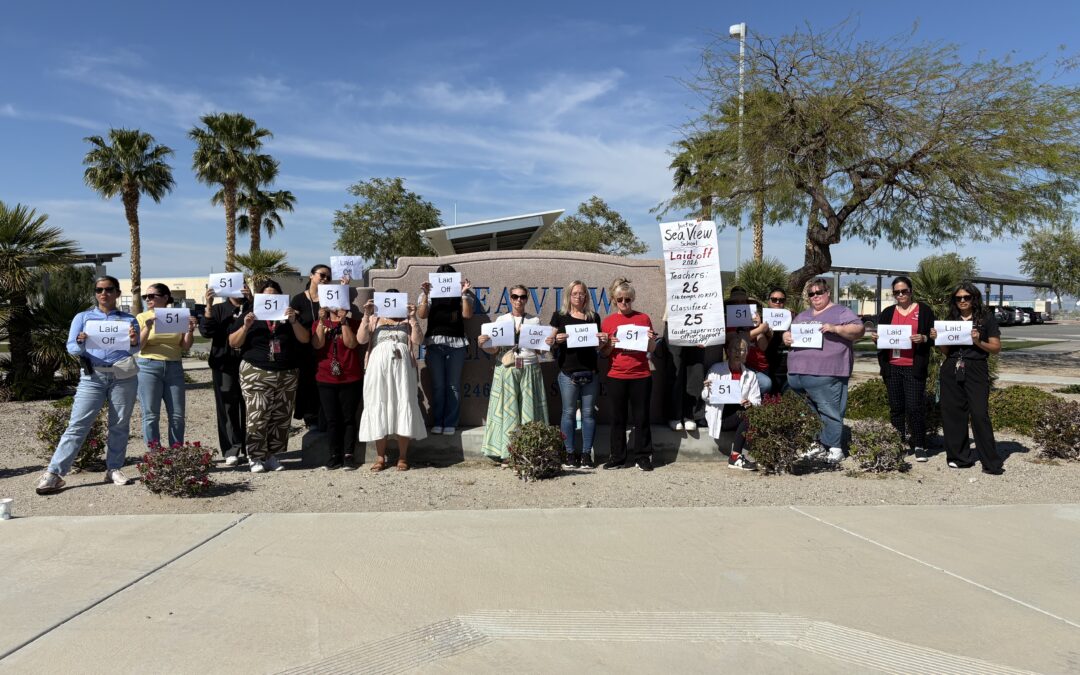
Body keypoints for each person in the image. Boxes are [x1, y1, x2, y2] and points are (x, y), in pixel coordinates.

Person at [36, 275, 141, 494]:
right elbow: (72, 348)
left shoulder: (128, 320)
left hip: (123, 376)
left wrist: (132, 342)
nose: (104, 293)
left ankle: (114, 468)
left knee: (119, 425)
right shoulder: (83, 318)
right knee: (77, 425)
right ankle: (54, 473)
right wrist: (81, 342)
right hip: (92, 377)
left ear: (117, 293)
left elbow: (133, 349)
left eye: (109, 289)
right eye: (99, 290)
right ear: (95, 293)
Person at [229, 279, 310, 473]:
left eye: (275, 295)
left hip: (286, 372)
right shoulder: (251, 314)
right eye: (267, 295)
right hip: (256, 371)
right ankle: (255, 456)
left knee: (281, 417)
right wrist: (246, 326)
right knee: (258, 415)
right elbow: (233, 342)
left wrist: (293, 321)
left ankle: (272, 455)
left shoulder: (289, 315)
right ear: (260, 297)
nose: (271, 298)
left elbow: (304, 338)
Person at [783, 278, 865, 463]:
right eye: (811, 294)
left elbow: (859, 329)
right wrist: (786, 337)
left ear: (828, 293)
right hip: (798, 375)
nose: (815, 296)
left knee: (830, 410)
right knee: (809, 413)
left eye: (819, 292)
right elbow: (789, 333)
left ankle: (834, 448)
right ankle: (815, 444)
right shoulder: (803, 315)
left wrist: (835, 328)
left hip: (827, 373)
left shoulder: (841, 312)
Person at [930, 283, 1003, 475]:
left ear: (974, 298)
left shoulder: (985, 319)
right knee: (953, 414)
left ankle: (991, 462)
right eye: (958, 298)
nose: (962, 301)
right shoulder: (950, 320)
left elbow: (996, 348)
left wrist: (978, 341)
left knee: (979, 414)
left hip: (976, 368)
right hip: (952, 367)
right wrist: (939, 340)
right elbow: (946, 351)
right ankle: (959, 457)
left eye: (966, 297)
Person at [478, 284, 550, 463]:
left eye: (523, 297)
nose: (519, 300)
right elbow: (495, 350)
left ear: (526, 299)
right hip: (507, 368)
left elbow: (540, 351)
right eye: (516, 296)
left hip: (530, 368)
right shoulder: (501, 320)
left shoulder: (534, 321)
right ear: (510, 299)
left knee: (529, 411)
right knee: (508, 412)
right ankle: (508, 454)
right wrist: (483, 344)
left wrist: (548, 343)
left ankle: (529, 452)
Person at [867, 276, 936, 462]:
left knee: (914, 407)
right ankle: (897, 443)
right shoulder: (888, 312)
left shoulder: (924, 311)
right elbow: (882, 337)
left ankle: (919, 444)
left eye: (904, 291)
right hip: (892, 367)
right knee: (896, 408)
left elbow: (936, 337)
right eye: (896, 292)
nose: (900, 295)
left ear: (911, 291)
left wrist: (924, 339)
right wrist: (876, 339)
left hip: (914, 367)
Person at [357, 289, 426, 471]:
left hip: (403, 369)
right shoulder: (374, 319)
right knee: (378, 403)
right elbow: (361, 339)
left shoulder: (406, 321)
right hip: (377, 368)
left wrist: (412, 317)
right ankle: (380, 457)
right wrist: (366, 315)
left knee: (404, 403)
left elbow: (419, 340)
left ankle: (403, 457)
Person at [600, 278, 659, 471]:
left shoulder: (643, 318)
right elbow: (604, 353)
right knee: (618, 418)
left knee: (641, 418)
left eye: (627, 299)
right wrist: (610, 343)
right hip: (616, 375)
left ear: (632, 299)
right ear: (614, 300)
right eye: (620, 299)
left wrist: (652, 340)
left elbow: (651, 349)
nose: (624, 303)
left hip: (641, 375)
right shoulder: (608, 322)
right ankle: (617, 456)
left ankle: (643, 456)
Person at [548, 280, 609, 469]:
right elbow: (549, 342)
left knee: (589, 414)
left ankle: (586, 455)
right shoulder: (559, 316)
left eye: (582, 293)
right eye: (575, 293)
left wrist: (604, 340)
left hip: (590, 371)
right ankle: (569, 453)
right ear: (569, 296)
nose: (578, 296)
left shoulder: (593, 317)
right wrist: (556, 340)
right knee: (567, 413)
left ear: (586, 296)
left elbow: (597, 347)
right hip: (567, 373)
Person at [135, 283, 197, 448]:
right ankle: (154, 454)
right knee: (150, 415)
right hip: (148, 366)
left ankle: (176, 453)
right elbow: (137, 346)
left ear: (165, 297)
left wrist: (190, 330)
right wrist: (147, 328)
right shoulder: (142, 317)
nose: (148, 299)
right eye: (145, 297)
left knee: (177, 414)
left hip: (174, 366)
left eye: (151, 296)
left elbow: (185, 346)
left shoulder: (178, 316)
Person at [418, 264, 474, 435]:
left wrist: (463, 293)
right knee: (438, 385)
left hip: (457, 344)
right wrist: (426, 295)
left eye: (448, 275)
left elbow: (467, 315)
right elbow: (422, 315)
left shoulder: (461, 294)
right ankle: (438, 421)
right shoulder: (429, 293)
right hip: (435, 343)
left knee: (453, 386)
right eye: (441, 276)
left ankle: (450, 422)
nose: (444, 278)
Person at [200, 283, 251, 466]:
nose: (239, 289)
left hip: (250, 362)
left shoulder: (253, 307)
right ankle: (232, 449)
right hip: (224, 363)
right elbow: (206, 331)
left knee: (251, 407)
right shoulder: (219, 309)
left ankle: (251, 448)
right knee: (227, 406)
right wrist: (208, 305)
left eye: (242, 285)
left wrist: (252, 301)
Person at [312, 301, 364, 470]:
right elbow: (317, 344)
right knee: (332, 419)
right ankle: (334, 455)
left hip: (350, 377)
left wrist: (344, 323)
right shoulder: (318, 323)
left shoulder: (354, 323)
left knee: (349, 418)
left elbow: (352, 344)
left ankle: (348, 454)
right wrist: (321, 321)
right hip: (326, 378)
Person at [702, 335, 762, 470]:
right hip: (720, 417)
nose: (737, 353)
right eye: (734, 349)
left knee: (751, 412)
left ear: (746, 353)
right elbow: (704, 397)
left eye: (742, 350)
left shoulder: (750, 375)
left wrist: (749, 403)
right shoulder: (717, 369)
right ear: (727, 352)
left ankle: (735, 457)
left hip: (740, 416)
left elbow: (757, 401)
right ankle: (735, 458)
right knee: (748, 415)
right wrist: (708, 389)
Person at [290, 264, 332, 429]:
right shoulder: (299, 299)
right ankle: (310, 417)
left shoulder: (329, 298)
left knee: (325, 385)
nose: (325, 279)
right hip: (304, 350)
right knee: (307, 384)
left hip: (325, 349)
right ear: (311, 276)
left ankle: (324, 416)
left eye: (328, 277)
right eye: (322, 275)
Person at [726, 286, 774, 394]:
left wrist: (759, 327)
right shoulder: (728, 322)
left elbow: (763, 346)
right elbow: (736, 339)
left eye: (742, 301)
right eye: (736, 302)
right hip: (742, 366)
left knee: (762, 394)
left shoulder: (754, 320)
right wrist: (759, 329)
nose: (739, 304)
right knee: (765, 384)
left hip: (761, 366)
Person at [763, 287, 791, 394]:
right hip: (768, 371)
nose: (777, 302)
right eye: (774, 299)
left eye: (781, 300)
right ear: (768, 301)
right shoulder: (760, 320)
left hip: (789, 372)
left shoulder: (794, 318)